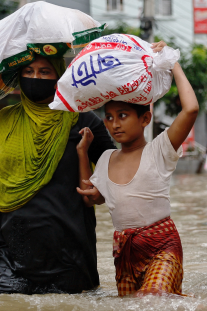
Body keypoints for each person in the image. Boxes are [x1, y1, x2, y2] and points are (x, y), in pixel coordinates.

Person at [0, 55, 116, 295]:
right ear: (19, 76)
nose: (36, 78)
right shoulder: (2, 122)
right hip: (9, 255)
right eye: (29, 71)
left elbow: (115, 169)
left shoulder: (82, 121)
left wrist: (102, 188)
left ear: (58, 77)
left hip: (69, 255)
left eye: (45, 72)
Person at [76, 42, 198, 296]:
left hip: (163, 245)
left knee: (152, 300)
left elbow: (191, 109)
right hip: (125, 252)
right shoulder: (107, 157)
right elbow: (91, 199)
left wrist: (171, 61)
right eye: (108, 117)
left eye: (123, 115)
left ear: (145, 119)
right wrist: (82, 153)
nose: (114, 124)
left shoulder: (158, 150)